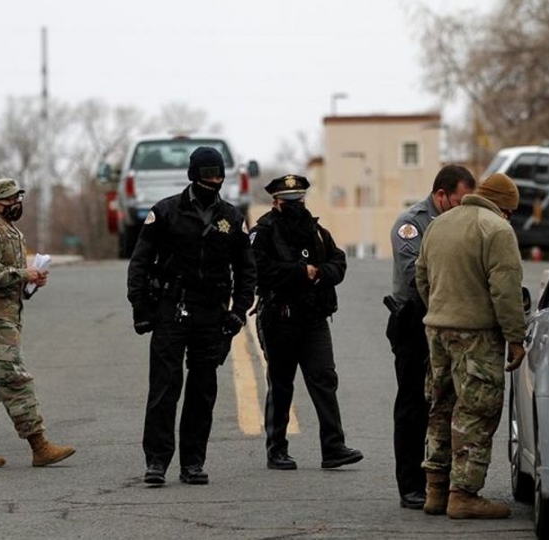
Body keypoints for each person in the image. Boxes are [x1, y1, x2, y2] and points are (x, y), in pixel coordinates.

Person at [127, 146, 256, 486]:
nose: (213, 180)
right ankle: (156, 461)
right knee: (164, 388)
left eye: (218, 174)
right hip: (173, 307)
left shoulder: (232, 218)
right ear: (193, 174)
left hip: (211, 312)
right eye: (207, 174)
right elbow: (140, 262)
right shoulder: (166, 212)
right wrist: (140, 308)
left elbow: (247, 272)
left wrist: (238, 312)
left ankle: (193, 462)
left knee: (202, 390)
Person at [414, 172, 527, 519]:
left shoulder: (439, 224)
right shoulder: (496, 230)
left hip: (437, 329)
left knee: (441, 407)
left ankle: (435, 489)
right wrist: (515, 338)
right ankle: (463, 495)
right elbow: (505, 290)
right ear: (505, 208)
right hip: (477, 335)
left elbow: (421, 275)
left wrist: (440, 308)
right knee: (477, 411)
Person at [0, 177, 76, 469]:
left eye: (16, 198)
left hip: (2, 316)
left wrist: (31, 282)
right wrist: (24, 274)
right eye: (8, 199)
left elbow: (7, 276)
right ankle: (39, 445)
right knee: (15, 379)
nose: (15, 204)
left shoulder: (11, 232)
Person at [251, 174, 363, 471]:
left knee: (324, 380)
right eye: (288, 202)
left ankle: (333, 447)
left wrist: (320, 273)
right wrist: (302, 273)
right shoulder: (263, 232)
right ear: (275, 202)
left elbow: (338, 263)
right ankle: (277, 449)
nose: (295, 206)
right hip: (281, 319)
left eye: (299, 200)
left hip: (314, 320)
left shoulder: (316, 231)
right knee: (282, 385)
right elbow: (260, 271)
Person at [385, 165, 476, 509]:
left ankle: (442, 481)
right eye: (459, 201)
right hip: (414, 324)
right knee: (413, 405)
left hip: (449, 324)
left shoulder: (463, 224)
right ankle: (410, 484)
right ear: (441, 196)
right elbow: (415, 277)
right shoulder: (413, 224)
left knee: (448, 405)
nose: (463, 208)